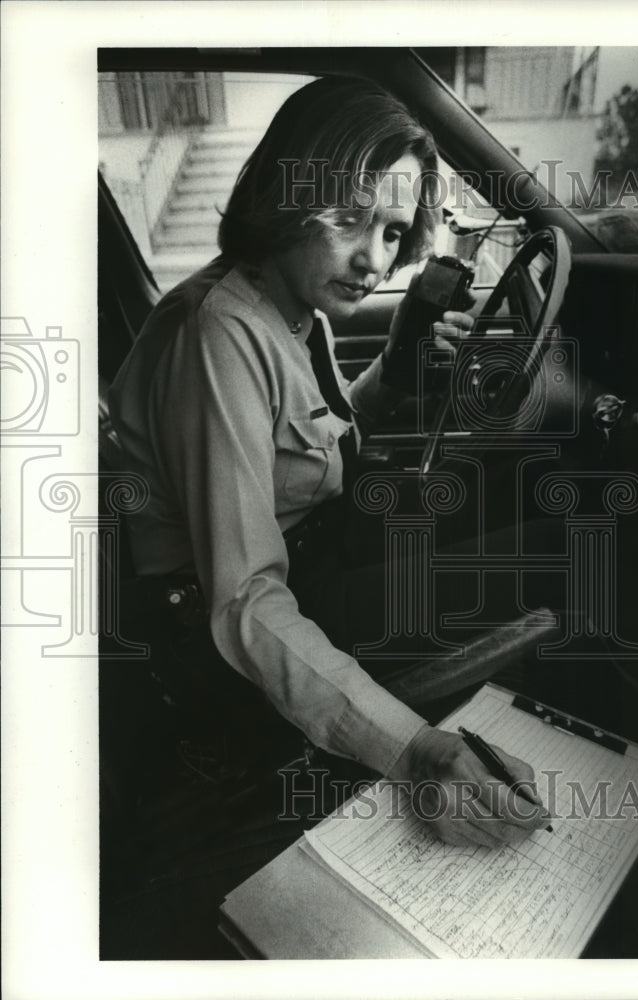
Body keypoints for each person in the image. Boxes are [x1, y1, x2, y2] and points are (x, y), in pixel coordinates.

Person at [109, 76, 549, 846]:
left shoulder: (287, 304)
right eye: (350, 217)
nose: (372, 256)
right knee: (533, 565)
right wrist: (410, 751)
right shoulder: (219, 333)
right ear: (288, 194)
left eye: (390, 231)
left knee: (523, 490)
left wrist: (402, 350)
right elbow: (244, 598)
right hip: (242, 629)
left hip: (319, 544)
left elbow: (324, 440)